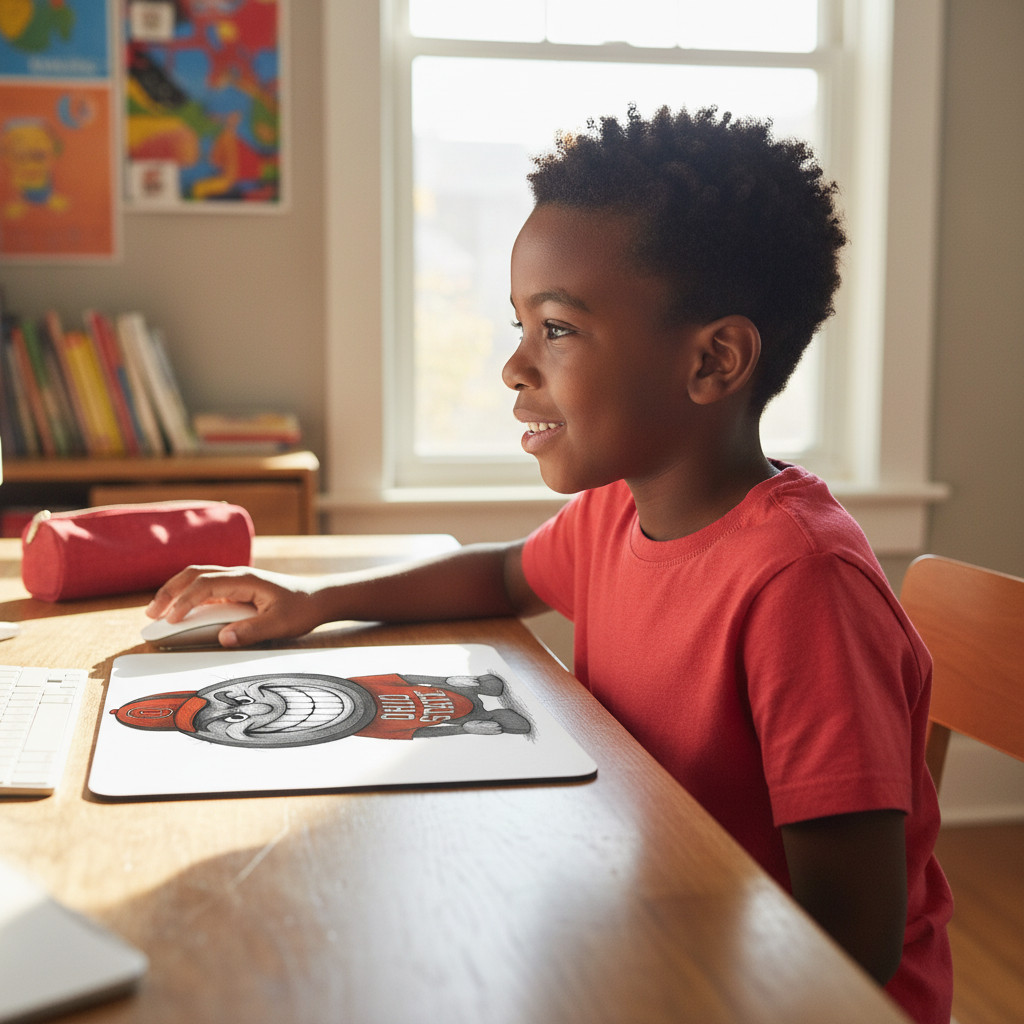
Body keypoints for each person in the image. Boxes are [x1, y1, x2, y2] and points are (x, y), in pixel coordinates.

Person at [147, 106, 952, 1023]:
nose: (514, 367)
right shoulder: (619, 510)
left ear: (714, 360)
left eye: (557, 329)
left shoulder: (802, 585)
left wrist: (619, 948)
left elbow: (852, 940)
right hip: (644, 915)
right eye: (521, 325)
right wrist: (318, 601)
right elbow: (500, 576)